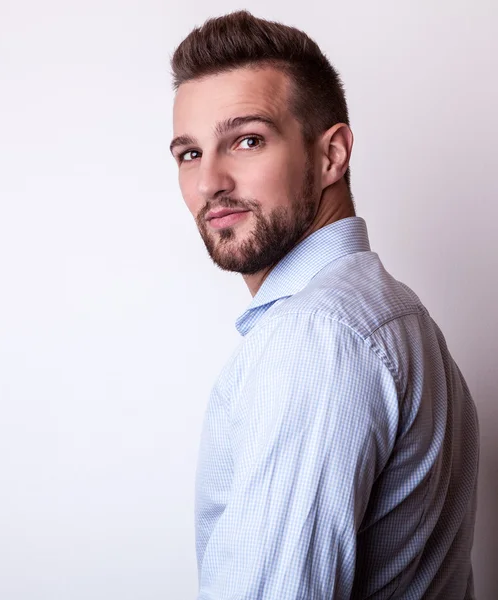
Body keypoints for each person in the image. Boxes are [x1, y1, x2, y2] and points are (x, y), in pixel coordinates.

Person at [168, 10, 479, 600]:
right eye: (189, 153)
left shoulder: (315, 336)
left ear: (332, 154)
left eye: (247, 140)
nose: (210, 181)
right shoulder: (394, 316)